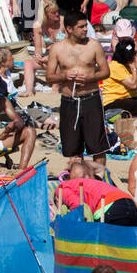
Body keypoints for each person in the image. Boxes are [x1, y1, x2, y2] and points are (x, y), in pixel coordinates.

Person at [47, 11, 110, 170]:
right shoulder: (57, 49)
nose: (85, 30)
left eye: (85, 26)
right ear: (68, 28)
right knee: (73, 149)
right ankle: (79, 181)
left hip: (91, 99)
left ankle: (99, 181)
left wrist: (89, 78)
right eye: (81, 27)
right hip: (70, 101)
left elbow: (105, 72)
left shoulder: (94, 45)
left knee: (98, 147)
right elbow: (49, 77)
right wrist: (64, 75)